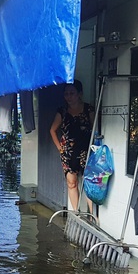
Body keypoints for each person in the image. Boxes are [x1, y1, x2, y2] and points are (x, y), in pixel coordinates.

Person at [49, 80, 95, 214]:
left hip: (86, 150)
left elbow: (94, 129)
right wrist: (60, 148)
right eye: (66, 94)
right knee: (72, 183)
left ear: (79, 94)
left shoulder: (88, 109)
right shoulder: (62, 111)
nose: (69, 96)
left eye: (72, 93)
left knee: (88, 182)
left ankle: (92, 214)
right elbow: (52, 130)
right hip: (68, 153)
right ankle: (76, 212)